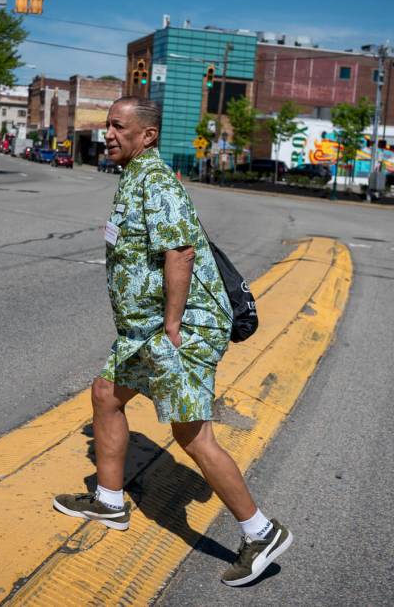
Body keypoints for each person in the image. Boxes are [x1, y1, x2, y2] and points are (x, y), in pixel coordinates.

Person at [52, 96, 292, 586]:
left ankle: (260, 531)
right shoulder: (135, 176)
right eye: (108, 126)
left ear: (148, 135)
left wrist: (174, 324)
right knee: (106, 395)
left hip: (179, 329)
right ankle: (110, 501)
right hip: (143, 332)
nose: (108, 134)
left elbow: (180, 253)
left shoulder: (158, 183)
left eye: (119, 126)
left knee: (191, 434)